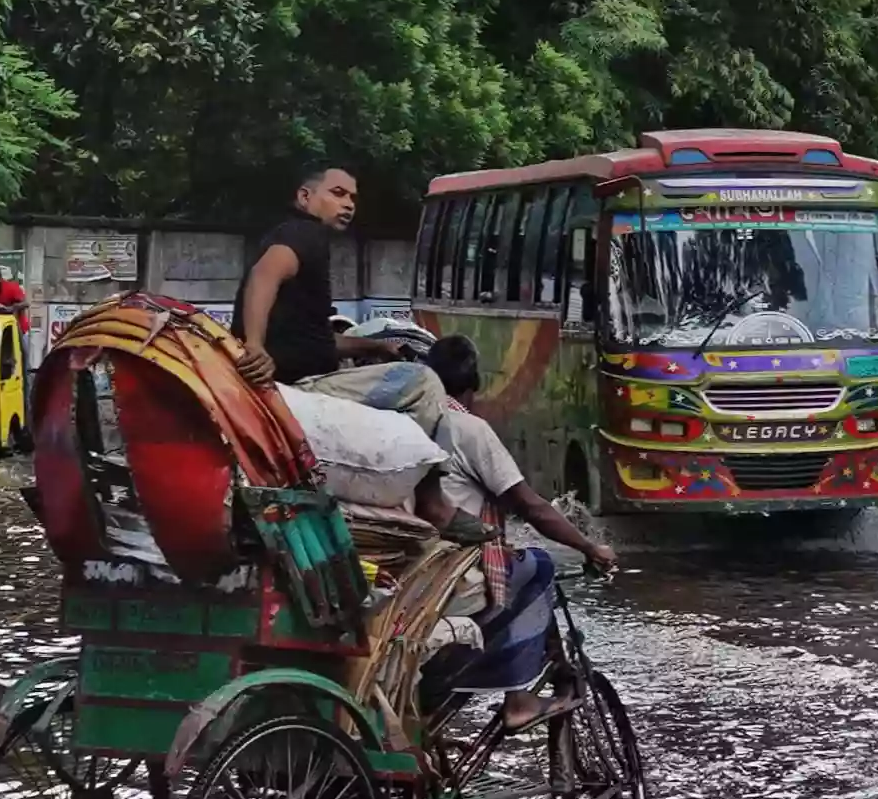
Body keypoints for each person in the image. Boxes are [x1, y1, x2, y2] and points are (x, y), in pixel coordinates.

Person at [232, 165, 483, 542]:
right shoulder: (303, 234)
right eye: (337, 193)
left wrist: (375, 347)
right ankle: (431, 499)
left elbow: (317, 341)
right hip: (302, 388)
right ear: (305, 197)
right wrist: (253, 345)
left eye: (352, 197)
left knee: (401, 375)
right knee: (423, 382)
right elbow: (264, 276)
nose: (348, 204)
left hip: (307, 377)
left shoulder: (295, 237)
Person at [420, 335, 617, 732]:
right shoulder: (467, 428)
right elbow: (532, 507)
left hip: (418, 570)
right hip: (451, 577)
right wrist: (588, 547)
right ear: (472, 383)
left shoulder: (408, 421)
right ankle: (520, 700)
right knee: (539, 565)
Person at [0, 264, 30, 338]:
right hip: (3, 333)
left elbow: (26, 304)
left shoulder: (12, 287)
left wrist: (11, 308)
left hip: (20, 331)